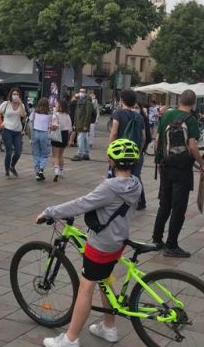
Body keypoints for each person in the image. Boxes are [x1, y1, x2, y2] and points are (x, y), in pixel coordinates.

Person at [39, 139, 143, 347]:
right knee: (105, 280)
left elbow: (81, 204)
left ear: (111, 160)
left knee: (86, 289)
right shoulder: (136, 183)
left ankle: (70, 339)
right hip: (118, 242)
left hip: (101, 246)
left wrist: (49, 211)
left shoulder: (110, 187)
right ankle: (109, 328)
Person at [152, 89, 204, 258]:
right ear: (193, 103)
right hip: (182, 169)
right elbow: (192, 145)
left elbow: (157, 139)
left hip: (165, 166)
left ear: (179, 100)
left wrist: (159, 159)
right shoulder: (191, 120)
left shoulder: (167, 115)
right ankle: (172, 244)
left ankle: (156, 239)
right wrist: (202, 163)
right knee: (179, 207)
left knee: (165, 204)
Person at [109, 90, 146, 210]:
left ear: (122, 100)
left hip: (120, 152)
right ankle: (140, 201)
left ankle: (116, 201)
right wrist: (139, 151)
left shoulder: (118, 114)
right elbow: (144, 137)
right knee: (135, 176)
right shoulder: (139, 116)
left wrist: (110, 150)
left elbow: (114, 133)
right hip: (135, 151)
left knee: (117, 175)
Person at [0, 87, 27, 178]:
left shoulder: (21, 104)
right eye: (14, 94)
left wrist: (20, 103)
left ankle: (12, 166)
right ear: (11, 95)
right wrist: (0, 123)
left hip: (17, 131)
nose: (16, 96)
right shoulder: (6, 104)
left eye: (17, 94)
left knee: (18, 151)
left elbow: (23, 115)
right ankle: (7, 170)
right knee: (9, 151)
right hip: (7, 130)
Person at [50, 100, 73, 182]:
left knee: (55, 155)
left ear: (60, 106)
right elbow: (70, 128)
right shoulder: (67, 115)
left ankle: (56, 170)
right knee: (61, 155)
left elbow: (54, 125)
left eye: (57, 104)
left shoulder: (55, 115)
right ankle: (61, 171)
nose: (55, 105)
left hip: (57, 134)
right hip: (65, 134)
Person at [30, 98, 52, 181]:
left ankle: (37, 171)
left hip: (35, 132)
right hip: (44, 133)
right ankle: (41, 169)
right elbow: (51, 125)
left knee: (36, 153)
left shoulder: (34, 112)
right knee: (44, 153)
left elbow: (29, 121)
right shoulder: (49, 114)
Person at [71, 89, 94, 161]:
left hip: (83, 124)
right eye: (80, 91)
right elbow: (76, 114)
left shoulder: (88, 103)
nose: (81, 93)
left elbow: (88, 114)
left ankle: (79, 153)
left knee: (80, 138)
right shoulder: (79, 101)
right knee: (84, 138)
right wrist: (74, 124)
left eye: (83, 91)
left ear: (86, 93)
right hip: (79, 123)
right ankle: (85, 153)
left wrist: (85, 125)